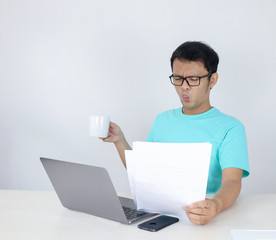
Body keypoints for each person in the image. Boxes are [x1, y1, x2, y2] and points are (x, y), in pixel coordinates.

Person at [101, 41, 249, 225]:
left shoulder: (231, 128)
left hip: (203, 215)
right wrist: (119, 140)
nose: (184, 87)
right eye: (178, 78)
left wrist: (215, 205)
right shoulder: (162, 120)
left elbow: (232, 182)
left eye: (193, 79)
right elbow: (141, 171)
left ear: (212, 80)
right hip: (160, 215)